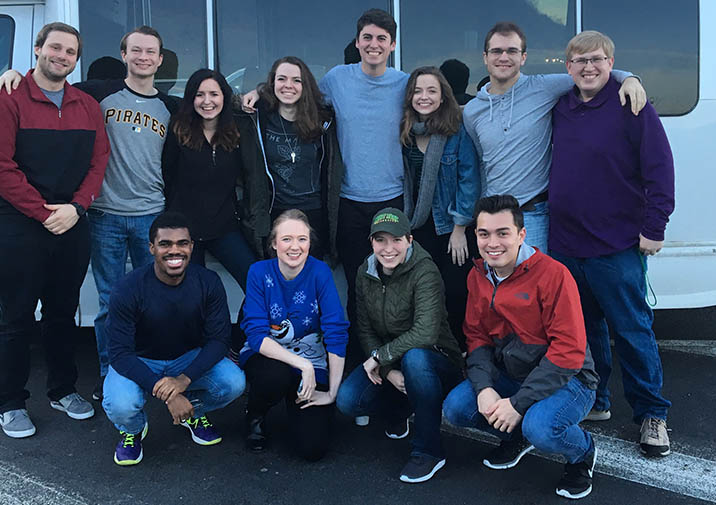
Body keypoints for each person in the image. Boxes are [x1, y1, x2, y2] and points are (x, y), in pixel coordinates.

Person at [0, 26, 182, 402]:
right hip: (100, 216)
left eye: (151, 52)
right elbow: (0, 162)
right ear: (122, 55)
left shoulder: (169, 107)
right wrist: (8, 74)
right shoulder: (97, 95)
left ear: (160, 60)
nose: (143, 57)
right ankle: (111, 376)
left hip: (141, 216)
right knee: (106, 303)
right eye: (135, 50)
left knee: (152, 299)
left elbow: (213, 109)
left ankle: (154, 372)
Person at [244, 9, 407, 362]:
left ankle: (393, 357)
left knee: (393, 283)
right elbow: (298, 95)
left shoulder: (404, 84)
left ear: (392, 45)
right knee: (356, 283)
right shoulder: (337, 79)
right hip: (347, 201)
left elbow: (432, 110)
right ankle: (356, 363)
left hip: (391, 199)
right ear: (358, 42)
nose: (373, 45)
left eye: (381, 39)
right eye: (367, 38)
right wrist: (260, 91)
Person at [0, 22, 108, 438]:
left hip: (71, 221)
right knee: (16, 316)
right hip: (18, 225)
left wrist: (77, 207)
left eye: (70, 51)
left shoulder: (86, 105)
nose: (62, 56)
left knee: (61, 314)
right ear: (37, 49)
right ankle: (11, 402)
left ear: (76, 59)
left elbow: (98, 163)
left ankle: (62, 390)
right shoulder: (4, 97)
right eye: (55, 48)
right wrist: (43, 212)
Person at [548, 31, 675, 457]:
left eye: (598, 60)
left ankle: (652, 414)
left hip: (616, 243)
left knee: (633, 329)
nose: (588, 67)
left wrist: (654, 226)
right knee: (584, 332)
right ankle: (597, 401)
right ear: (567, 67)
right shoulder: (561, 107)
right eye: (580, 61)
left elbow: (660, 169)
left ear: (611, 63)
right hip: (566, 244)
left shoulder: (631, 105)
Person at [442, 195, 599, 499]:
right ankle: (516, 434)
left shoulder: (554, 275)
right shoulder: (479, 276)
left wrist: (518, 404)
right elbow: (477, 338)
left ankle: (582, 453)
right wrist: (485, 386)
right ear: (475, 235)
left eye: (503, 233)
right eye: (484, 233)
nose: (492, 243)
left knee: (540, 427)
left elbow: (568, 353)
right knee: (457, 408)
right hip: (512, 373)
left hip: (570, 379)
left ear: (521, 235)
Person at [463, 22, 647, 254]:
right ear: (485, 57)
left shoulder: (543, 88)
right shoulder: (472, 111)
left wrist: (630, 78)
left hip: (534, 215)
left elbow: (589, 73)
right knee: (499, 286)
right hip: (492, 218)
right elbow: (482, 162)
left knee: (535, 286)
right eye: (497, 51)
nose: (504, 57)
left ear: (524, 57)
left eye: (512, 51)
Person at [102, 212, 246, 465]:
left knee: (233, 382)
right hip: (140, 359)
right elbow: (119, 353)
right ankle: (133, 430)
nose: (174, 251)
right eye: (165, 244)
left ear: (191, 246)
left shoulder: (207, 281)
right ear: (151, 248)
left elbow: (219, 340)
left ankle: (193, 412)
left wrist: (184, 380)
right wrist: (170, 394)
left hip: (186, 358)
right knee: (121, 404)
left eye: (182, 243)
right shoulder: (128, 287)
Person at [336, 207, 463, 483]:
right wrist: (387, 369)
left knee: (416, 358)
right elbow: (365, 328)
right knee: (348, 400)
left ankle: (429, 451)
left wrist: (379, 358)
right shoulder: (365, 271)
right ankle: (399, 409)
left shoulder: (425, 271)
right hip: (391, 362)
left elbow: (426, 333)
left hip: (436, 360)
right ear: (371, 242)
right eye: (380, 240)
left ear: (409, 240)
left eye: (396, 240)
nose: (388, 248)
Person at [239, 210, 349, 461]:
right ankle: (256, 413)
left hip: (311, 359)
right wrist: (302, 364)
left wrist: (332, 393)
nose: (295, 246)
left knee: (312, 449)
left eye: (302, 239)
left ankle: (296, 404)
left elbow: (336, 330)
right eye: (286, 239)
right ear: (274, 243)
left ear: (310, 243)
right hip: (270, 357)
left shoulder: (320, 272)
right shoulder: (258, 272)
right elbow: (255, 335)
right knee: (274, 376)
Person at [399, 66, 479, 344]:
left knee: (456, 293)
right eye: (418, 91)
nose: (424, 97)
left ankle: (458, 352)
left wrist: (459, 228)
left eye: (432, 90)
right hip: (417, 226)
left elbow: (469, 180)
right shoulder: (405, 132)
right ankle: (429, 351)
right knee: (422, 294)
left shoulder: (456, 131)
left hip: (452, 227)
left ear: (443, 96)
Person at [238, 56, 344, 262]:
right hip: (274, 212)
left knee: (309, 280)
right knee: (279, 279)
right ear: (272, 84)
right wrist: (257, 92)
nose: (289, 86)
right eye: (282, 79)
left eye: (297, 80)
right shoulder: (258, 118)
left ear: (306, 86)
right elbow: (224, 104)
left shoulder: (323, 121)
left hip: (314, 213)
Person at [164, 69, 256, 292]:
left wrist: (260, 90)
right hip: (185, 230)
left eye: (214, 94)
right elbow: (166, 177)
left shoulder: (236, 131)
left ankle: (249, 327)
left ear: (224, 97)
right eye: (199, 94)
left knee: (257, 281)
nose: (207, 101)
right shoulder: (178, 130)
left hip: (224, 228)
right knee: (193, 293)